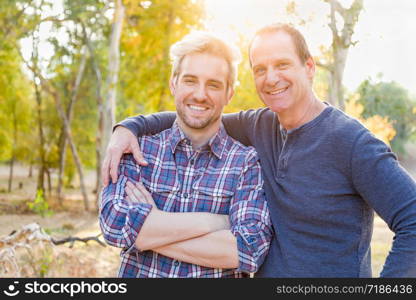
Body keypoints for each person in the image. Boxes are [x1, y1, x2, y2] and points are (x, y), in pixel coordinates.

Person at [102, 23, 416, 278]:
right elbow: (198, 113)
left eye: (282, 64)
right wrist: (130, 127)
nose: (271, 78)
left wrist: (146, 231)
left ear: (309, 67)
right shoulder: (260, 126)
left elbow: (412, 219)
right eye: (260, 68)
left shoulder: (352, 143)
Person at [99, 31, 273, 278]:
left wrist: (151, 228)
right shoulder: (138, 149)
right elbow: (114, 225)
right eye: (190, 80)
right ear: (173, 83)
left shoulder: (245, 162)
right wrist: (214, 222)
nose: (200, 95)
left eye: (213, 84)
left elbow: (248, 250)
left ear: (229, 94)